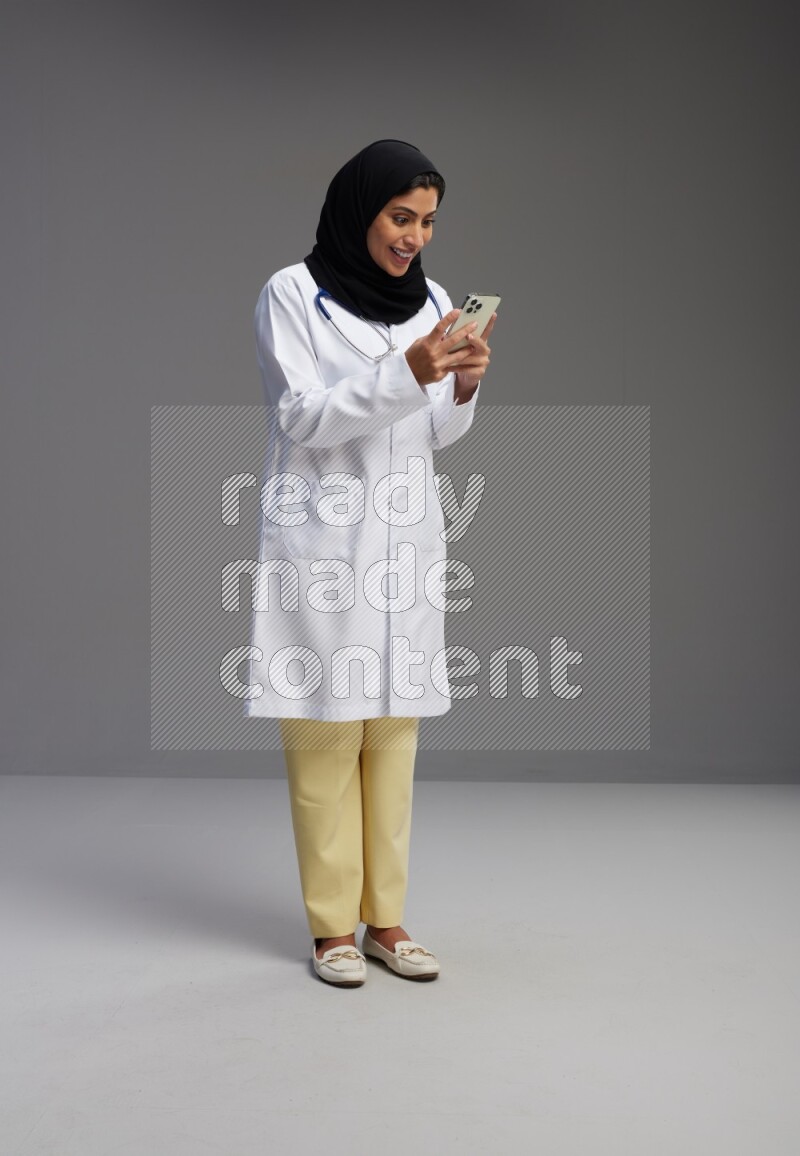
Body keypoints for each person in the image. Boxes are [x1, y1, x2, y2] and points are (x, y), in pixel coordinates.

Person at [244, 139, 496, 986]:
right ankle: (330, 930)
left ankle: (385, 920)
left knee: (393, 742)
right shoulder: (291, 293)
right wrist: (408, 369)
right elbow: (304, 417)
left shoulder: (432, 302)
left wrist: (458, 388)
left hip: (405, 545)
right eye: (399, 217)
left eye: (426, 221)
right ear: (361, 212)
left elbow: (430, 434)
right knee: (324, 739)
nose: (414, 236)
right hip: (323, 545)